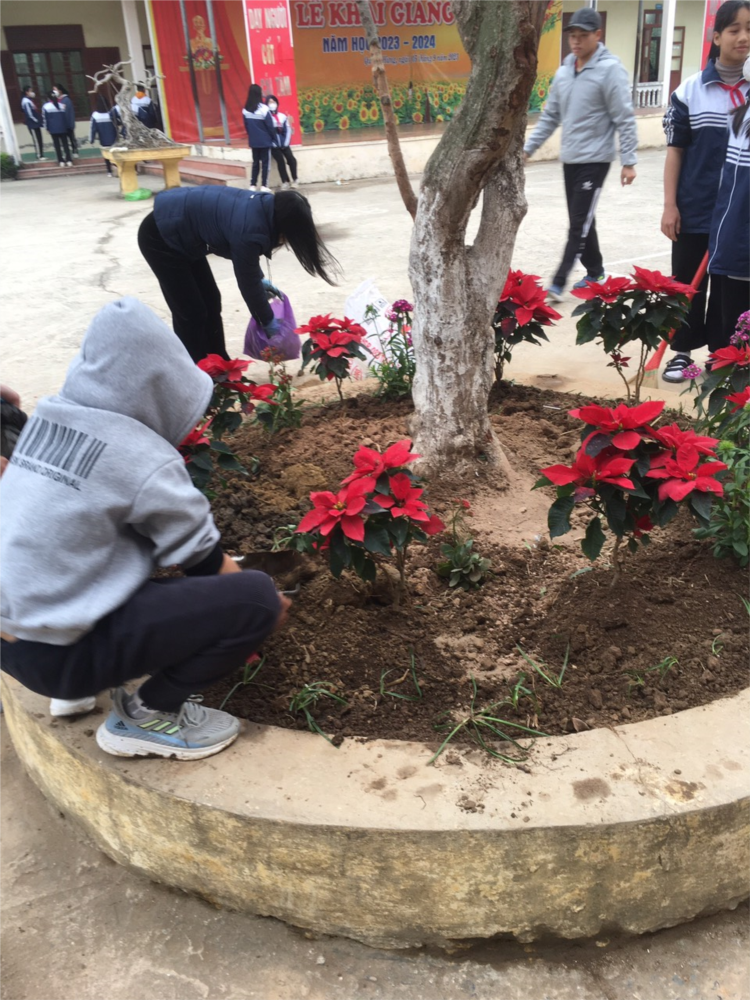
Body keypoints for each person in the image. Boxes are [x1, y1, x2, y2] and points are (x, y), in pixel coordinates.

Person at [0, 298, 290, 760]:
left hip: (13, 642)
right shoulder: (139, 456)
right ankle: (147, 715)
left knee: (102, 545)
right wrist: (260, 617)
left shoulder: (49, 418)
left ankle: (75, 692)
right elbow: (203, 562)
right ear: (163, 387)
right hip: (59, 658)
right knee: (254, 598)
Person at [138, 186, 338, 362]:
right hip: (160, 235)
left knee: (211, 300)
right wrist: (268, 321)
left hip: (183, 231)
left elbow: (246, 258)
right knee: (191, 312)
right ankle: (195, 373)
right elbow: (247, 282)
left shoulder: (265, 208)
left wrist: (259, 280)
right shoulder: (252, 229)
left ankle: (219, 364)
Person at [661, 0, 750, 380]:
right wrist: (670, 205)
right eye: (734, 30)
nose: (743, 37)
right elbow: (675, 152)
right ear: (716, 37)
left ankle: (721, 354)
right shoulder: (690, 91)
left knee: (730, 287)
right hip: (695, 209)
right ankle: (682, 352)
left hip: (738, 215)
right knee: (686, 284)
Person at [523, 7, 638, 302]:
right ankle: (596, 271)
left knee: (578, 224)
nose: (576, 41)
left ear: (597, 35)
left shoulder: (610, 70)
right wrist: (527, 149)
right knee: (585, 219)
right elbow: (551, 116)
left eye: (582, 35)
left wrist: (629, 161)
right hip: (571, 159)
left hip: (595, 160)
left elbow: (624, 117)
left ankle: (558, 281)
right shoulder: (564, 72)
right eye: (572, 35)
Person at [708, 57, 750, 348]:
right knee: (738, 337)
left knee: (734, 336)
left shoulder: (739, 116)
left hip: (732, 241)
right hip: (740, 247)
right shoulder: (741, 120)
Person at [243, 84, 278, 192]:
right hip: (265, 141)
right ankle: (264, 185)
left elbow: (246, 127)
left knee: (255, 163)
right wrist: (274, 138)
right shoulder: (264, 109)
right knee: (265, 164)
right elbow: (270, 126)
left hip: (254, 142)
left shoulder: (245, 110)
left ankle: (252, 185)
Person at [266, 95, 298, 189]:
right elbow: (266, 132)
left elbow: (287, 130)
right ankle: (285, 181)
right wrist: (272, 143)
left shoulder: (282, 116)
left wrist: (286, 143)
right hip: (274, 145)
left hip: (284, 144)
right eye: (270, 102)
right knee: (281, 161)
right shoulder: (266, 118)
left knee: (291, 159)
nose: (272, 104)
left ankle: (295, 179)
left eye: (273, 102)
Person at [90, 94, 121, 177]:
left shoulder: (95, 115)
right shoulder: (111, 113)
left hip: (103, 139)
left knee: (106, 155)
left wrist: (91, 140)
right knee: (114, 154)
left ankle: (109, 171)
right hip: (114, 138)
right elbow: (118, 122)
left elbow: (93, 129)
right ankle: (117, 169)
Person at [42, 91, 73, 167]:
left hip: (53, 129)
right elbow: (65, 118)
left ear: (48, 98)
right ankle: (69, 160)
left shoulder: (46, 107)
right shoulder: (62, 106)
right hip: (63, 128)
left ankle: (61, 161)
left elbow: (45, 119)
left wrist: (46, 128)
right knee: (65, 144)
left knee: (57, 145)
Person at [54, 85, 79, 160]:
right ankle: (66, 153)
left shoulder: (66, 100)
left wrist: (70, 123)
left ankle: (75, 151)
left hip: (67, 123)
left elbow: (69, 113)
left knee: (71, 138)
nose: (54, 91)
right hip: (61, 124)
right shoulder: (57, 100)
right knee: (63, 141)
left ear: (60, 90)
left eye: (55, 89)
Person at [20, 86, 44, 160]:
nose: (32, 93)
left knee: (39, 138)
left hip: (36, 123)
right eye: (30, 91)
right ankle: (39, 155)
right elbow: (29, 114)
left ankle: (41, 154)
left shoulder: (29, 100)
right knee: (36, 139)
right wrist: (36, 120)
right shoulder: (25, 101)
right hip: (32, 124)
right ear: (26, 92)